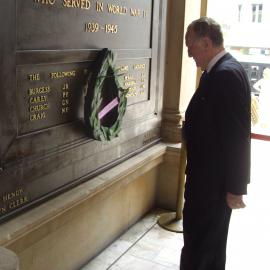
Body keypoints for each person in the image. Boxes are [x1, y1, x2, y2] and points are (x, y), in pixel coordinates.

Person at [181, 17, 251, 270]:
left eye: (190, 46)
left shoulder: (226, 76)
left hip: (212, 187)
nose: (189, 53)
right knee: (203, 246)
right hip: (207, 183)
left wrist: (235, 187)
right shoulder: (218, 71)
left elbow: (237, 136)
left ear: (207, 42)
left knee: (203, 248)